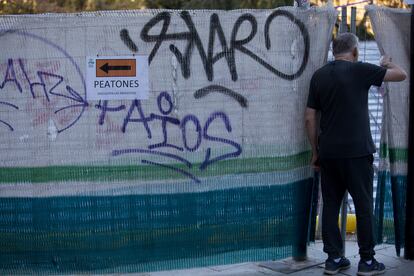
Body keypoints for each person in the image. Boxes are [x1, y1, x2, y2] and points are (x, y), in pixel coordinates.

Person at [305, 32, 406, 276]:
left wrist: (315, 151)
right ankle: (367, 262)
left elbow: (309, 117)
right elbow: (401, 75)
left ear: (333, 50)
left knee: (329, 205)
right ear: (355, 51)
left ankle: (333, 259)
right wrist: (387, 63)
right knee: (363, 206)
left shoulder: (318, 76)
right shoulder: (362, 70)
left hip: (328, 153)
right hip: (358, 153)